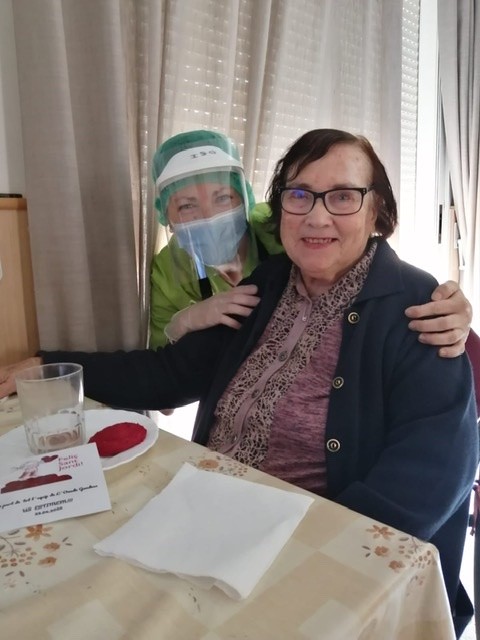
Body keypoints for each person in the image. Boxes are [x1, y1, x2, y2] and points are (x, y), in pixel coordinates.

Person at [0, 129, 477, 635]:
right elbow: (166, 375)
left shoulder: (421, 309)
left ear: (376, 210)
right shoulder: (268, 283)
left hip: (304, 546)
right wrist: (48, 367)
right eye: (300, 195)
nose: (317, 217)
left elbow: (433, 470)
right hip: (209, 516)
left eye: (342, 196)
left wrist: (316, 548)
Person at [149, 129, 472, 354]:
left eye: (223, 198)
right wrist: (183, 323)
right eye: (187, 206)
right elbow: (165, 386)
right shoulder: (167, 271)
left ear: (245, 197)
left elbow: (365, 269)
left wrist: (452, 313)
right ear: (165, 214)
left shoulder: (278, 226)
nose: (317, 219)